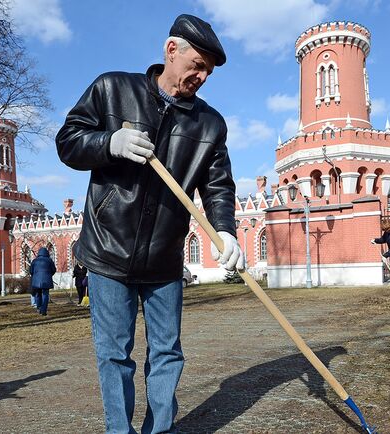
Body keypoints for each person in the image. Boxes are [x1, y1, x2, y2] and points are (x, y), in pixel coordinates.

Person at [55, 14, 244, 434]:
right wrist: (109, 143)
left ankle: (160, 430)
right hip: (107, 252)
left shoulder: (209, 124)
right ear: (170, 50)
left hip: (164, 259)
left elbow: (218, 186)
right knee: (115, 354)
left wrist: (225, 230)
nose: (202, 76)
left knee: (167, 353)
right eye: (197, 65)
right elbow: (68, 141)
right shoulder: (112, 89)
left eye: (208, 72)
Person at [29, 247, 56, 315]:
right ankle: (43, 310)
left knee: (38, 294)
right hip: (46, 280)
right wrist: (49, 275)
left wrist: (35, 276)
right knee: (45, 294)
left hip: (36, 280)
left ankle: (39, 308)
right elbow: (54, 270)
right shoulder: (49, 260)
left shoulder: (35, 261)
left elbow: (31, 271)